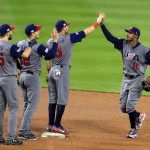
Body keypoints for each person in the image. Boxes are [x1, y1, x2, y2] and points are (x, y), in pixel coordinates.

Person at [46, 12, 105, 135]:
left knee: (52, 98)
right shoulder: (69, 38)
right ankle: (57, 125)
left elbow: (47, 58)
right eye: (66, 26)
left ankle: (50, 124)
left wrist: (49, 71)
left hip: (51, 71)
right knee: (62, 99)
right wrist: (98, 21)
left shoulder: (50, 41)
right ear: (63, 28)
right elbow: (86, 31)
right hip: (62, 72)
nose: (68, 27)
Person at [99, 15, 150, 138]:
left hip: (138, 80)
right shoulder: (123, 44)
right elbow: (110, 38)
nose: (128, 34)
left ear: (136, 36)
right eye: (128, 32)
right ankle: (138, 116)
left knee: (130, 106)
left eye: (130, 33)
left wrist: (149, 78)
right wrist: (102, 25)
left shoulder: (145, 51)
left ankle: (133, 130)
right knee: (123, 108)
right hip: (126, 79)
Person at [17, 24, 58, 140]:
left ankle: (25, 129)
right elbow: (51, 54)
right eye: (37, 31)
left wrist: (19, 70)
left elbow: (15, 56)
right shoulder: (37, 47)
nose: (39, 32)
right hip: (32, 78)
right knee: (32, 105)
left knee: (26, 104)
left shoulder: (20, 44)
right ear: (32, 33)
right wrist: (55, 40)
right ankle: (24, 131)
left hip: (22, 77)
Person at [0, 24, 32, 145]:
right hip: (9, 79)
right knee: (13, 108)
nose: (12, 33)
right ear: (7, 33)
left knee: (0, 108)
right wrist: (30, 46)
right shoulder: (10, 46)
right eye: (11, 31)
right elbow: (24, 54)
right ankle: (10, 137)